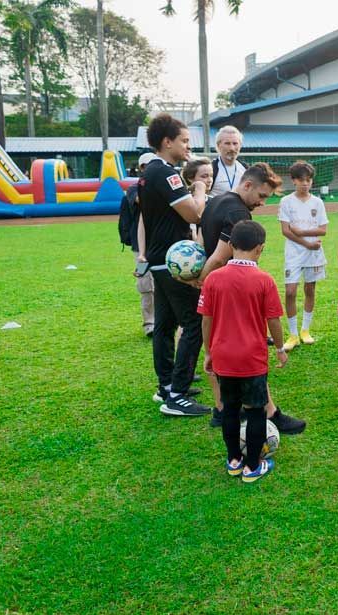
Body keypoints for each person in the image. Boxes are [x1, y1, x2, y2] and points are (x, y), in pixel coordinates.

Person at [197, 164, 307, 436]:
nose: (262, 202)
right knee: (247, 341)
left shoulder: (215, 201)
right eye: (261, 195)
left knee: (214, 346)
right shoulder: (237, 212)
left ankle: (221, 410)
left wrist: (200, 281)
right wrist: (203, 280)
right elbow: (221, 256)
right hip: (225, 287)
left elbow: (199, 241)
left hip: (213, 287)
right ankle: (268, 412)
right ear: (247, 185)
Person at [198, 220, 288, 483]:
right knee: (255, 410)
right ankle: (252, 466)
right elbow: (273, 321)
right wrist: (280, 348)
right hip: (251, 358)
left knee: (230, 408)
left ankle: (234, 460)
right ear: (259, 249)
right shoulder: (263, 280)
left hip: (224, 356)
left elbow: (206, 320)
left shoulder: (213, 279)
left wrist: (208, 352)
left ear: (231, 245)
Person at [138, 114, 209, 417]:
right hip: (173, 260)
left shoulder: (148, 173)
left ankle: (166, 385)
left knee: (166, 326)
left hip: (159, 260)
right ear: (167, 142)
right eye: (184, 141)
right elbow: (194, 215)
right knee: (194, 322)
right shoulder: (166, 174)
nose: (188, 148)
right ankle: (177, 395)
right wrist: (200, 189)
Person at [279, 161, 329, 351]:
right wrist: (306, 241)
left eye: (308, 180)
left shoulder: (318, 202)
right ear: (293, 181)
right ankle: (292, 334)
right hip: (294, 253)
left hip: (314, 254)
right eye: (301, 180)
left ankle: (305, 330)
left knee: (310, 290)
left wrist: (299, 231)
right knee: (290, 291)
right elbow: (285, 230)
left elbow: (323, 230)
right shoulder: (286, 201)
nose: (305, 184)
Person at [120, 152, 155, 337]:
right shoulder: (134, 189)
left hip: (160, 243)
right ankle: (149, 323)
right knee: (145, 284)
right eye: (149, 166)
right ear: (142, 169)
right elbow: (140, 201)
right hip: (140, 247)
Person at [181, 157, 213, 243]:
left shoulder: (213, 201)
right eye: (204, 176)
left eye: (211, 176)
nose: (210, 180)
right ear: (190, 178)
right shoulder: (181, 201)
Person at [211, 125, 246, 196]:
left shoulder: (245, 169)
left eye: (235, 143)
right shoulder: (211, 169)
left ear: (240, 145)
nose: (232, 148)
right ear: (218, 145)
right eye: (227, 143)